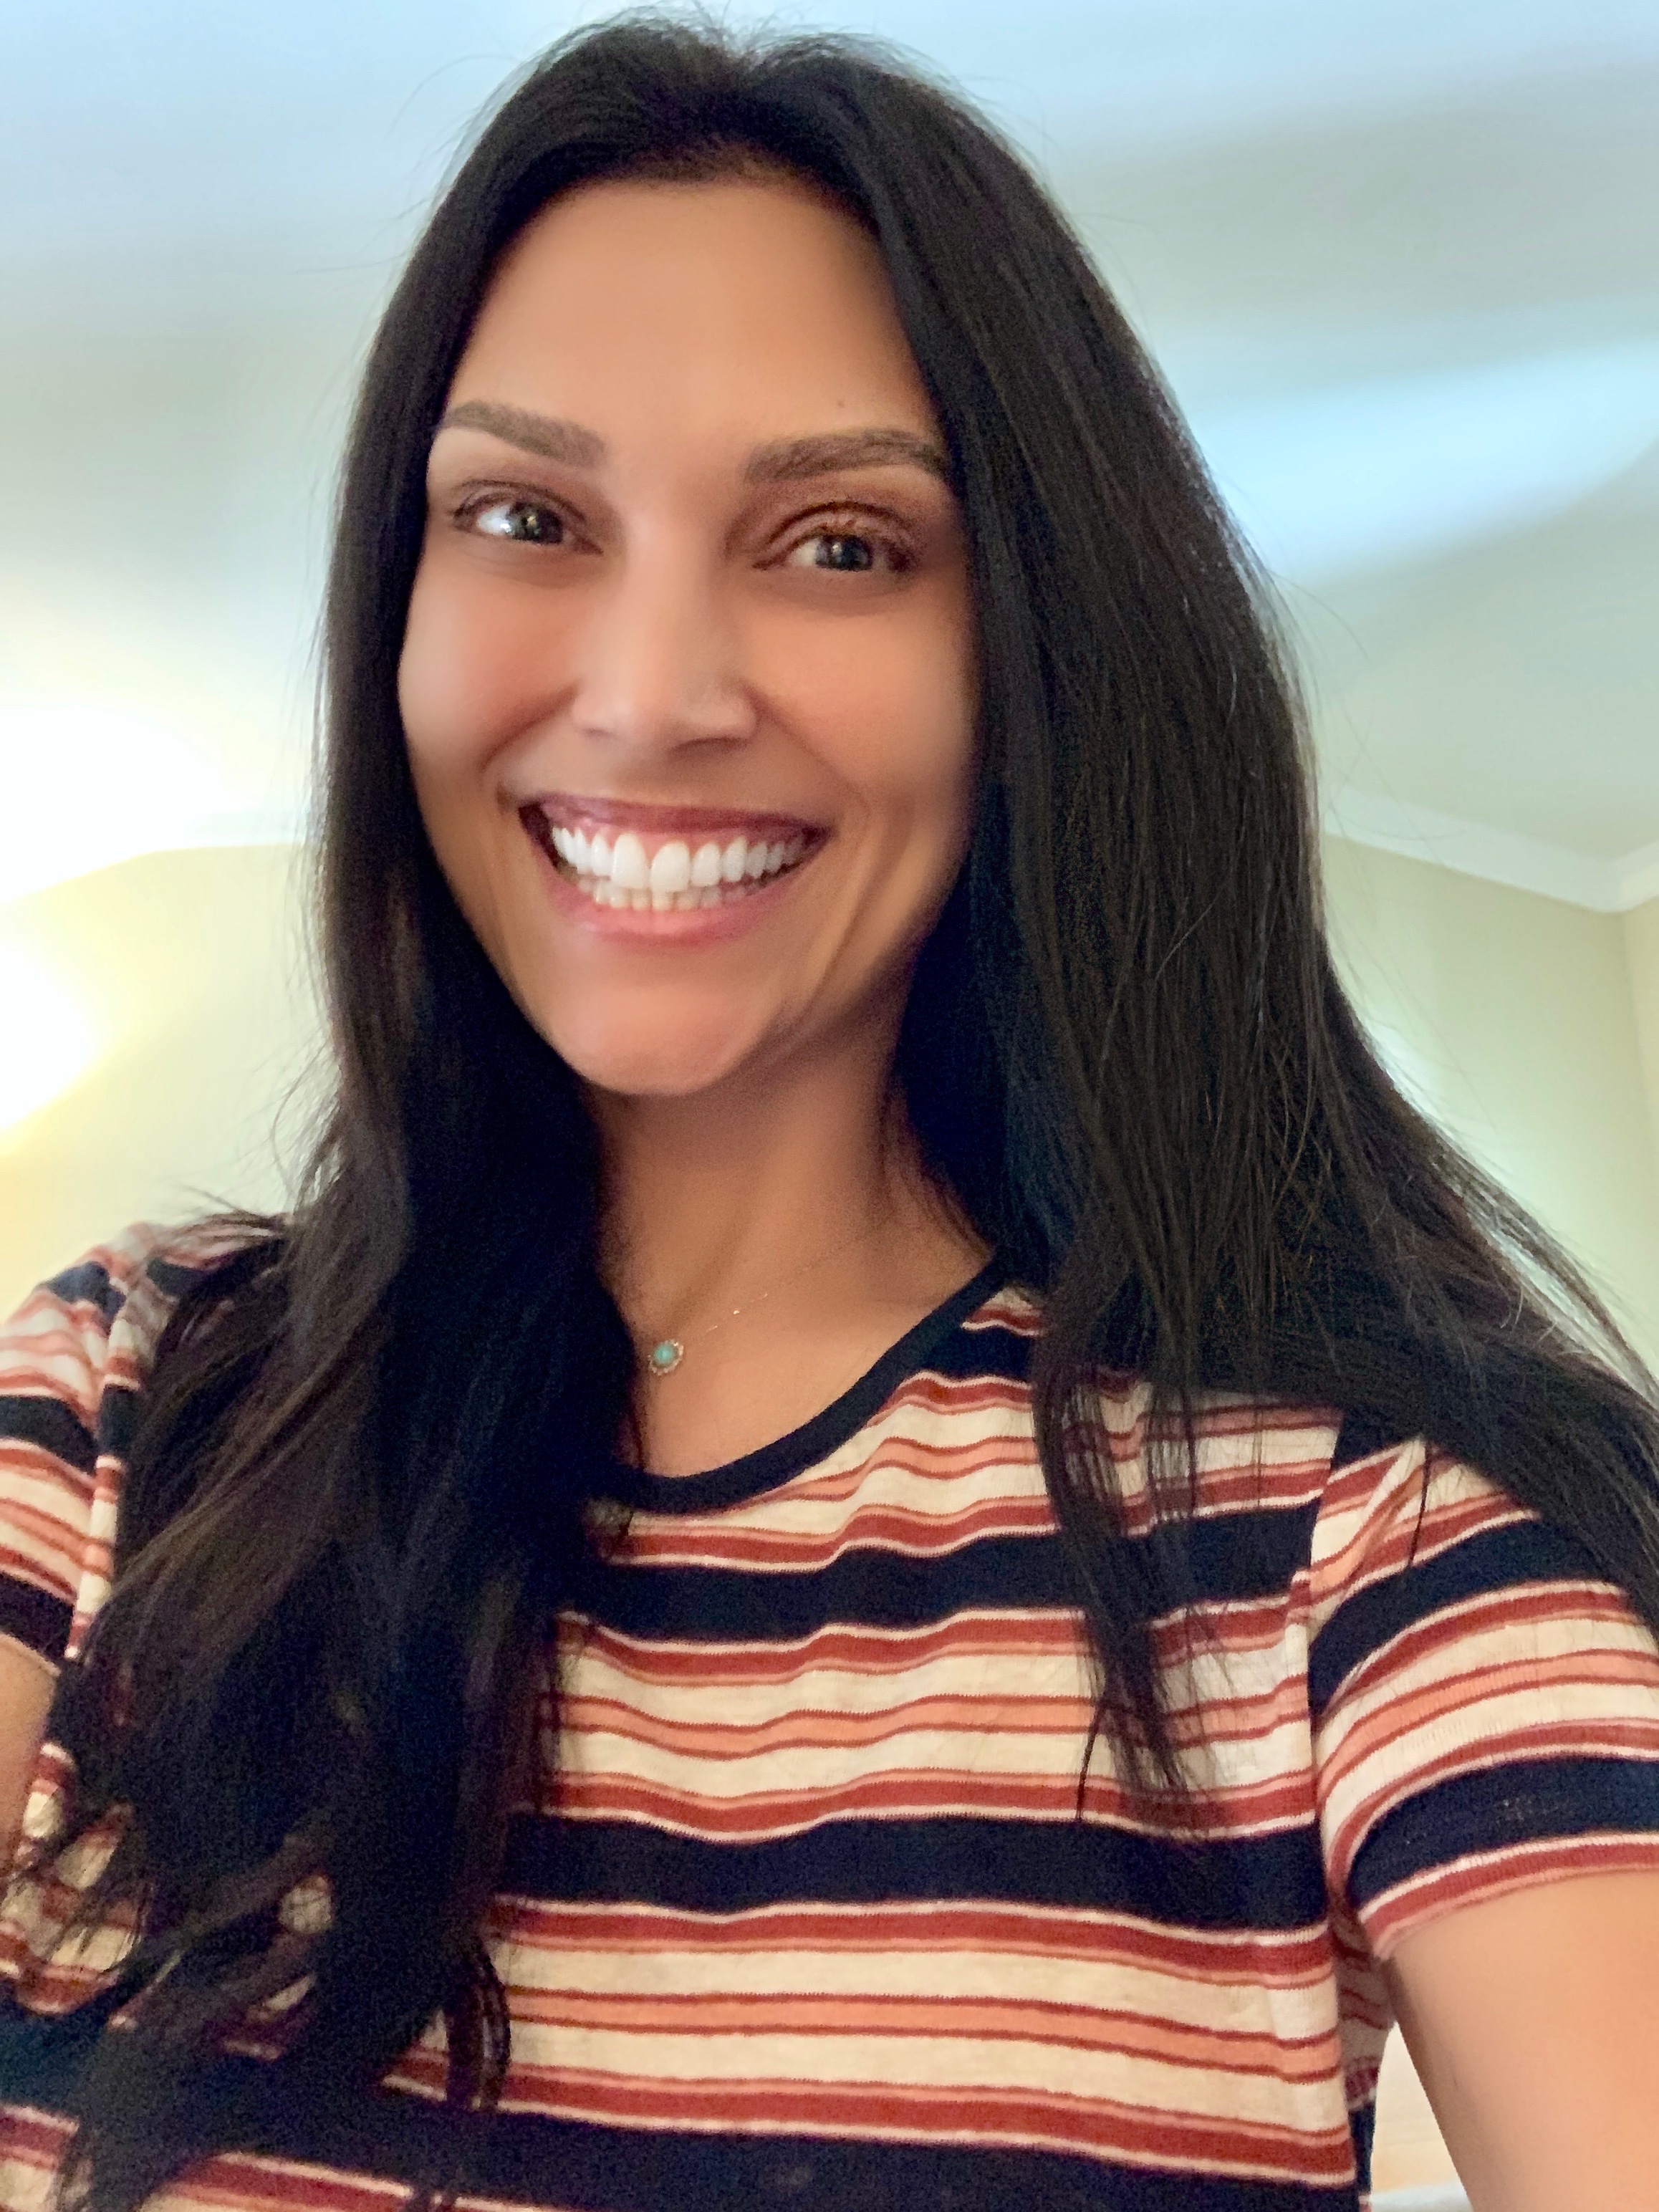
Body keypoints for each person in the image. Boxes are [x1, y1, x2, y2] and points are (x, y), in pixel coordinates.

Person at [1, 15, 1656, 2211]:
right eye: (525, 517)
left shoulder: (1372, 1543)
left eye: (841, 544)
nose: (648, 695)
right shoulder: (127, 1403)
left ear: (1033, 658)